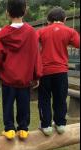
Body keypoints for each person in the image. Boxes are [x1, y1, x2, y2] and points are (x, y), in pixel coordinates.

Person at [0, 0, 42, 140]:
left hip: (8, 78)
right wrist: (37, 75)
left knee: (8, 104)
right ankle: (23, 129)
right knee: (24, 104)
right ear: (25, 10)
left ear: (7, 13)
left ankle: (10, 129)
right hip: (25, 79)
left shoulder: (3, 33)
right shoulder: (32, 33)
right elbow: (36, 55)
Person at [37, 7, 80, 136]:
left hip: (45, 71)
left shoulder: (41, 31)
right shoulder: (70, 31)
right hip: (61, 71)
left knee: (44, 98)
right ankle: (60, 124)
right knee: (60, 98)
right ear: (65, 19)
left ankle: (46, 126)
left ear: (49, 20)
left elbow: (32, 44)